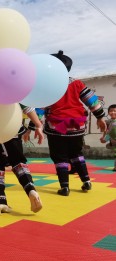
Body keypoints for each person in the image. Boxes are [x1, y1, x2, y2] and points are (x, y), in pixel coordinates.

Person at [44, 50, 106, 196]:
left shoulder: (48, 85)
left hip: (57, 124)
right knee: (76, 153)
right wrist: (100, 117)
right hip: (77, 124)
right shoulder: (77, 83)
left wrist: (34, 126)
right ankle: (86, 181)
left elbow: (41, 106)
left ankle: (65, 187)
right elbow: (92, 100)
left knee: (60, 156)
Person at [0, 105, 44, 214]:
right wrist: (38, 125)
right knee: (18, 162)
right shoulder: (9, 87)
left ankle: (1, 201)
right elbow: (27, 108)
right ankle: (31, 190)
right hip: (10, 128)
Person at [100, 104, 116, 171]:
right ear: (108, 112)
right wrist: (104, 138)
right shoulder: (108, 122)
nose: (113, 112)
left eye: (115, 111)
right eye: (111, 111)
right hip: (113, 140)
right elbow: (107, 132)